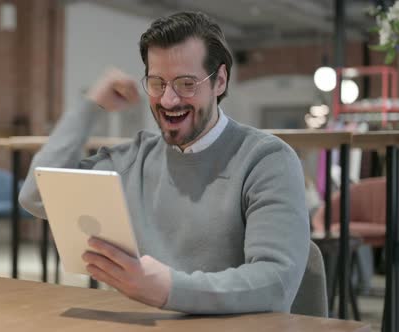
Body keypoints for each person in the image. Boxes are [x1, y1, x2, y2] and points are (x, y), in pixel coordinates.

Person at [19, 11, 309, 314]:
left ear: (220, 81)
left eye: (186, 84)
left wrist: (169, 289)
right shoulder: (133, 161)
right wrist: (90, 107)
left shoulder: (266, 160)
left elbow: (276, 283)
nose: (169, 100)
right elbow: (36, 194)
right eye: (157, 83)